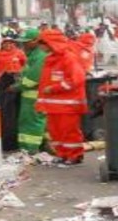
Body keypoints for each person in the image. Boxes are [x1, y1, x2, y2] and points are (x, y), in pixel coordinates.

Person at [35, 29, 87, 165]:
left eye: (42, 43)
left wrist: (54, 88)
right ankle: (62, 154)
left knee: (68, 132)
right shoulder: (50, 59)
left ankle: (74, 156)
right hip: (53, 105)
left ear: (50, 43)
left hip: (68, 105)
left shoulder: (68, 57)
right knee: (55, 132)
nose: (40, 47)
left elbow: (77, 79)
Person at [14, 28, 48, 153]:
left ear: (35, 41)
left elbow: (33, 78)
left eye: (26, 42)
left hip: (34, 97)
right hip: (30, 97)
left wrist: (17, 86)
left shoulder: (40, 56)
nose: (23, 45)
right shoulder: (33, 55)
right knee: (30, 123)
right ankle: (30, 148)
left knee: (32, 124)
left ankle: (30, 149)